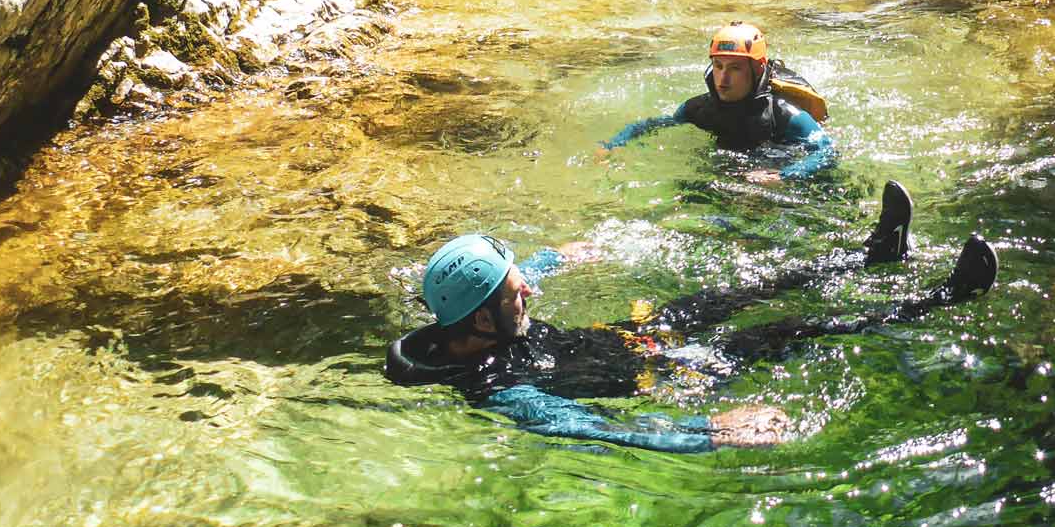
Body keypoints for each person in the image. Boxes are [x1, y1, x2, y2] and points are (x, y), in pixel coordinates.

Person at [386, 185, 998, 453]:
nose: (528, 291)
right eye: (515, 289)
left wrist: (553, 256)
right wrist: (711, 430)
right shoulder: (504, 394)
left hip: (631, 335)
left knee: (741, 290)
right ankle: (945, 298)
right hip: (666, 373)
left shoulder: (476, 317)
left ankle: (873, 255)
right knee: (781, 333)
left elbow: (523, 277)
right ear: (484, 321)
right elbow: (606, 431)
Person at [602, 22, 833, 183]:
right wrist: (614, 144)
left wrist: (784, 176)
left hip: (778, 166)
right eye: (719, 66)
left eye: (735, 68)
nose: (723, 78)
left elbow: (826, 153)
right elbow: (654, 125)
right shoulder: (700, 109)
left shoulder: (785, 115)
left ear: (758, 69)